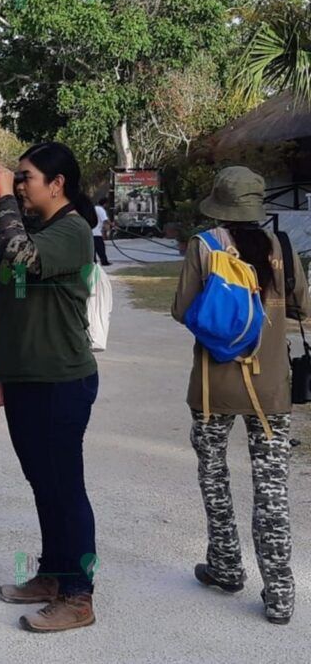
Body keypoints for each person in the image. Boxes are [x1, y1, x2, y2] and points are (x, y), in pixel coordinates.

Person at [0, 141, 99, 633]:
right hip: (24, 378)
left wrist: (6, 201)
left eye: (26, 177)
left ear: (57, 184)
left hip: (61, 379)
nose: (16, 185)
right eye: (14, 178)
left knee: (65, 487)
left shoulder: (73, 230)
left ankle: (79, 595)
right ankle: (53, 577)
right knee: (43, 483)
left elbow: (23, 256)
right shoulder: (30, 226)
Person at [170, 166, 309, 625]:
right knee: (271, 491)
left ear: (219, 204)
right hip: (271, 389)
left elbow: (180, 310)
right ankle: (281, 593)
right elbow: (302, 307)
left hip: (213, 388)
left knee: (214, 477)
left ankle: (226, 567)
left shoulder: (204, 246)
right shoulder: (283, 249)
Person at [93, 197, 112, 266]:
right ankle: (104, 262)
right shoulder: (101, 210)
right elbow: (105, 219)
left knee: (93, 248)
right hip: (96, 232)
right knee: (101, 248)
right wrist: (112, 225)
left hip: (90, 232)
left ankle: (93, 261)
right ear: (105, 204)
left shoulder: (94, 208)